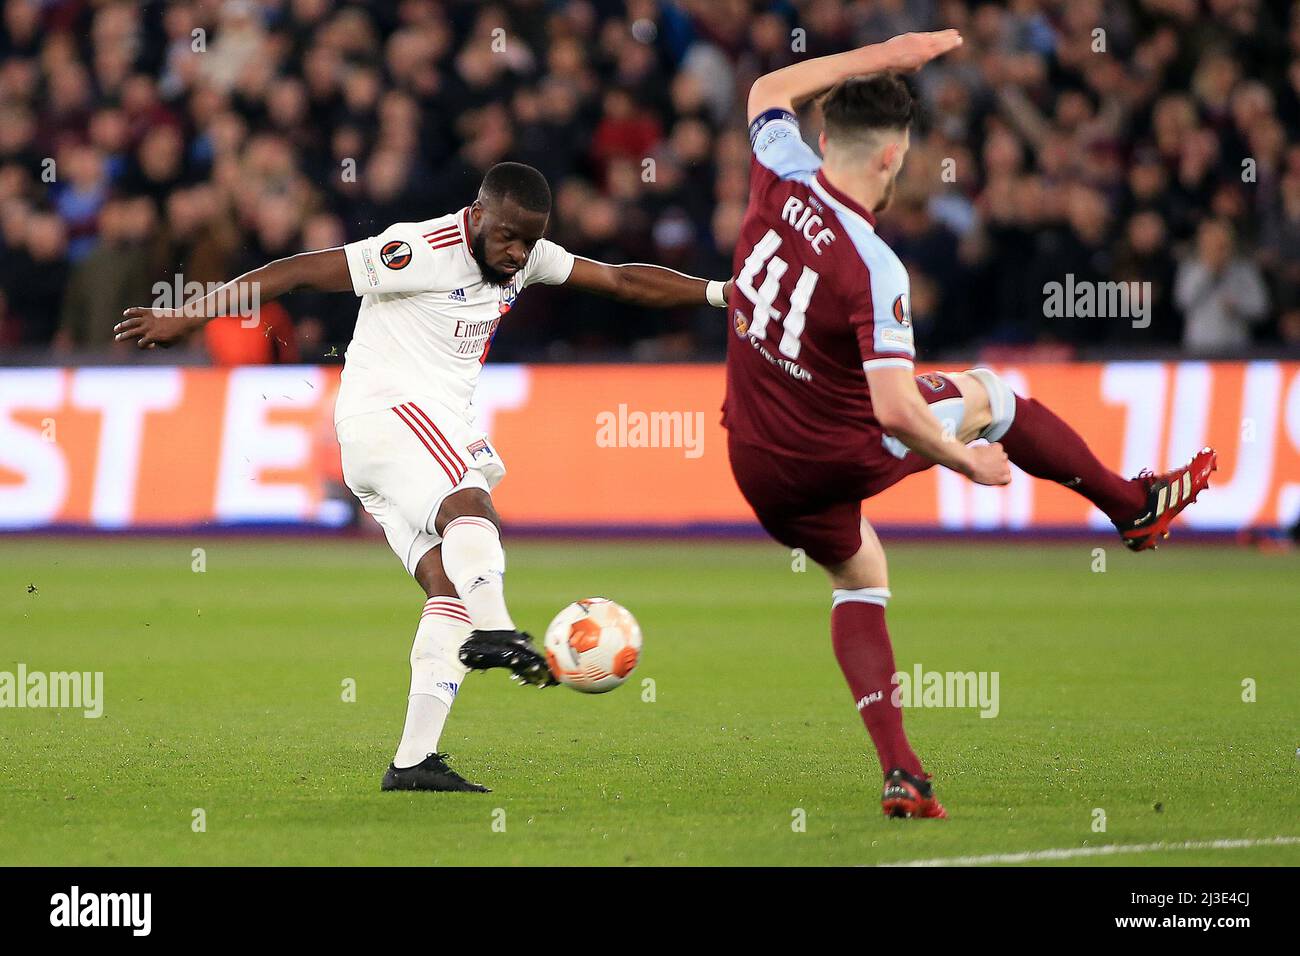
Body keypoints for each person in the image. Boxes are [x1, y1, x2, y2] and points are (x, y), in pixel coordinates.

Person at [115, 161, 732, 792]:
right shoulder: (418, 249)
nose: (517, 254)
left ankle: (413, 761)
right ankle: (496, 630)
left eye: (529, 241)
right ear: (477, 215)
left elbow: (622, 279)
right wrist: (188, 316)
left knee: (450, 587)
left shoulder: (527, 258)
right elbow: (298, 271)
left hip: (390, 445)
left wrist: (721, 293)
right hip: (390, 414)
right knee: (471, 505)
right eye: (507, 237)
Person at [724, 32, 1218, 819]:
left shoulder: (780, 172)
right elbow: (894, 410)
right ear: (892, 158)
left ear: (823, 137)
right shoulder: (875, 267)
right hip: (838, 452)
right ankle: (1133, 508)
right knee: (991, 396)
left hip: (754, 458)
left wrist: (878, 56)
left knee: (861, 575)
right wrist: (965, 460)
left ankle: (903, 773)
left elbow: (766, 90)